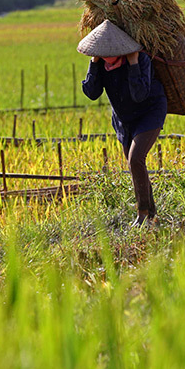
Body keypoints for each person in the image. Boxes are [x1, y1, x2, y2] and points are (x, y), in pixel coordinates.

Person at [78, 20, 167, 227]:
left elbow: (140, 94)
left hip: (149, 112)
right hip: (123, 118)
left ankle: (143, 213)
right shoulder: (100, 64)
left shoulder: (141, 59)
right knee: (135, 164)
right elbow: (91, 93)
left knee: (136, 158)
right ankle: (151, 215)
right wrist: (93, 63)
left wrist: (134, 63)